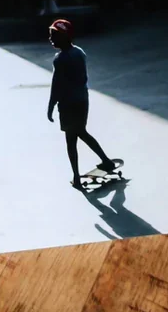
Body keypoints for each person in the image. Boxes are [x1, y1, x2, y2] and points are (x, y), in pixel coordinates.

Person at [46, 18, 116, 188]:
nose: (51, 38)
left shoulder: (60, 59)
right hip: (82, 100)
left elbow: (56, 85)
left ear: (65, 37)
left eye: (54, 35)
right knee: (81, 132)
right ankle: (105, 161)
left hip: (68, 104)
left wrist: (51, 106)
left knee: (71, 141)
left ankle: (76, 177)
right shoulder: (79, 52)